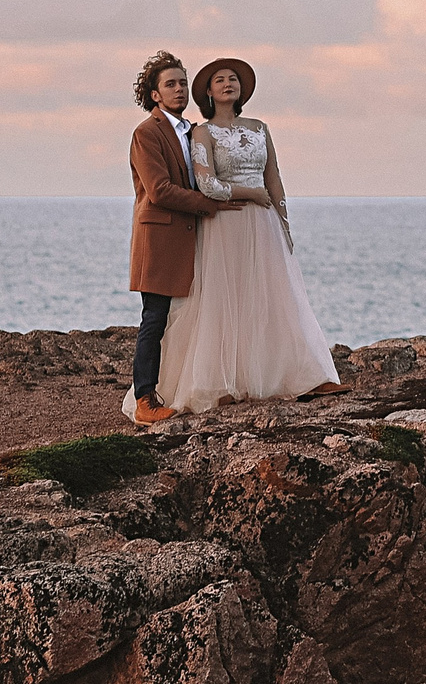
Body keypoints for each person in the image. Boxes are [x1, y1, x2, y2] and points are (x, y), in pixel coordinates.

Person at [141, 55, 344, 414]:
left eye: (233, 79)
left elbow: (274, 176)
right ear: (208, 91)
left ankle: (300, 375)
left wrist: (282, 220)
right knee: (223, 300)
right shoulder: (200, 132)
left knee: (272, 297)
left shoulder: (260, 128)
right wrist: (249, 194)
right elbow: (206, 183)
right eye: (219, 80)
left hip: (263, 223)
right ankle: (219, 382)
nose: (227, 84)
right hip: (224, 221)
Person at [124, 51, 248, 426]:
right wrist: (211, 204)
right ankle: (145, 399)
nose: (179, 90)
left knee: (198, 316)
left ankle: (201, 385)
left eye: (182, 83)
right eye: (170, 85)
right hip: (160, 241)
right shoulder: (146, 133)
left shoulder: (192, 130)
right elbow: (159, 190)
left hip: (194, 240)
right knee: (155, 319)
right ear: (155, 95)